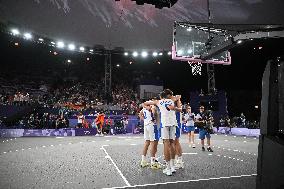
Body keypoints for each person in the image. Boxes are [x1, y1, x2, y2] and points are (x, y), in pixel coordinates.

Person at [144, 89, 180, 176]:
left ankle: (168, 169)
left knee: (166, 144)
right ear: (169, 95)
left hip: (165, 125)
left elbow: (145, 103)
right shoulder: (172, 99)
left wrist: (148, 108)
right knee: (172, 144)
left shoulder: (158, 102)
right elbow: (178, 96)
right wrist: (174, 98)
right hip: (173, 124)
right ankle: (172, 166)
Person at [139, 104, 161, 169]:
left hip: (146, 125)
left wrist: (145, 120)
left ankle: (143, 161)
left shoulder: (144, 108)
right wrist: (154, 118)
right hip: (152, 125)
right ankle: (153, 163)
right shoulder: (152, 106)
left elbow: (140, 114)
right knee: (153, 143)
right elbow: (153, 111)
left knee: (147, 143)